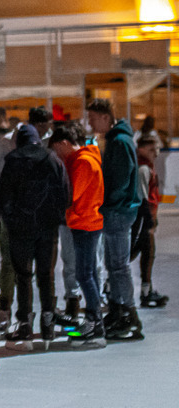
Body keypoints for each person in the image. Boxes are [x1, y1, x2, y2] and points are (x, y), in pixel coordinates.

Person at [0, 123, 72, 350]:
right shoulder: (52, 159)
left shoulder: (13, 160)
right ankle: (48, 324)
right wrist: (55, 217)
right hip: (47, 228)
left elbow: (4, 196)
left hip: (21, 228)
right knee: (45, 275)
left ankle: (25, 325)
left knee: (23, 276)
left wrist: (12, 220)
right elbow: (65, 192)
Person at [85, 98, 143, 340]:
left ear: (106, 118)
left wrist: (105, 203)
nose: (90, 123)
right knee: (114, 264)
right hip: (117, 209)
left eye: (93, 118)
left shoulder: (119, 142)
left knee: (118, 266)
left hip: (118, 210)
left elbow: (118, 180)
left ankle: (130, 315)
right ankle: (119, 310)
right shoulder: (116, 139)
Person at [48, 124, 106, 348]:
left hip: (85, 223)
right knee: (87, 272)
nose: (56, 154)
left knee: (84, 274)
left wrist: (65, 209)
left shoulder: (82, 162)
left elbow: (72, 194)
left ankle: (94, 321)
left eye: (56, 149)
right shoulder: (83, 159)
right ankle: (94, 319)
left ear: (64, 143)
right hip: (86, 221)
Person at [133, 136, 168, 308]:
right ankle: (145, 292)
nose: (156, 153)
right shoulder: (143, 169)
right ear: (141, 149)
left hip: (145, 218)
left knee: (146, 254)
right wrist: (148, 222)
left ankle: (147, 290)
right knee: (143, 254)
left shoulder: (147, 166)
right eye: (151, 149)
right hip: (143, 221)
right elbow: (142, 197)